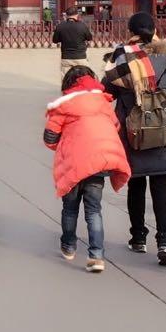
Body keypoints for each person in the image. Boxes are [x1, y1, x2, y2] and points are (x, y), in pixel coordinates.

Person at [102, 11, 166, 266]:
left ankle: (138, 237)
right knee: (162, 189)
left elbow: (107, 86)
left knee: (136, 185)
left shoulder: (121, 56)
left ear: (131, 30)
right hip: (163, 127)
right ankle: (165, 243)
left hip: (134, 128)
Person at [43, 65, 131, 273]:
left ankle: (69, 246)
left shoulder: (64, 105)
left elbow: (49, 137)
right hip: (99, 164)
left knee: (70, 207)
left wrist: (65, 145)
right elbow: (115, 127)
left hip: (74, 163)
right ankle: (97, 256)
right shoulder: (103, 102)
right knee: (94, 210)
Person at [52, 6, 93, 77]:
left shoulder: (60, 26)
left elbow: (55, 40)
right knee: (84, 77)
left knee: (66, 78)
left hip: (66, 57)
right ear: (77, 15)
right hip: (81, 57)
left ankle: (67, 88)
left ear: (66, 15)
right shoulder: (82, 25)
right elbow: (89, 38)